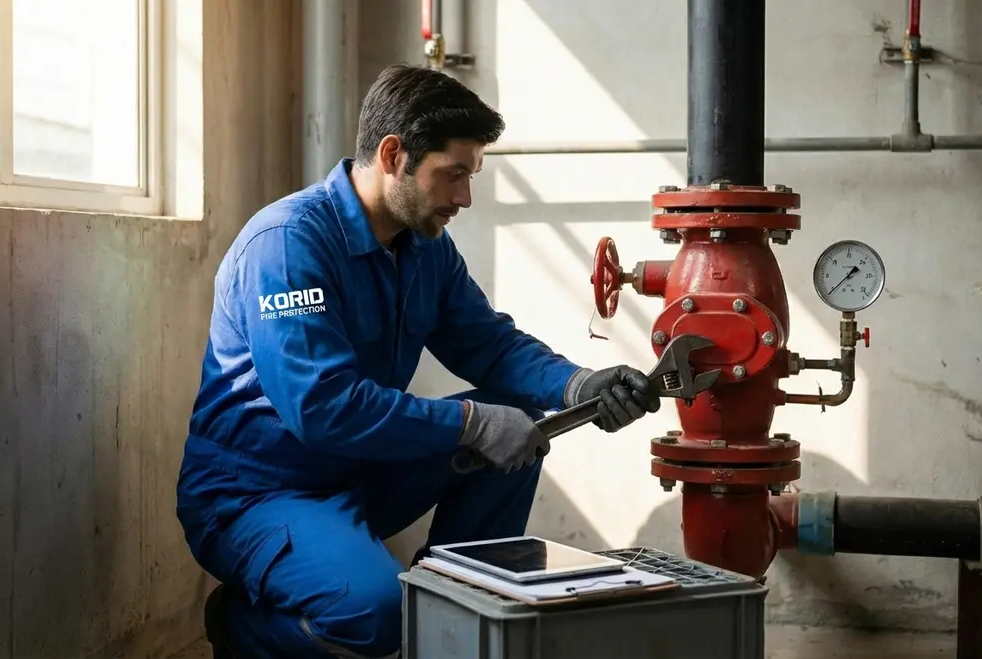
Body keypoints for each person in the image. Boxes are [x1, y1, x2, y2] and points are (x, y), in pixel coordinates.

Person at [175, 63, 661, 659]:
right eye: (453, 174)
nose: (465, 197)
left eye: (470, 176)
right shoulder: (286, 244)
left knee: (518, 426)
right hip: (257, 494)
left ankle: (452, 618)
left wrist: (578, 385)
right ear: (393, 155)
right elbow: (321, 407)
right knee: (376, 614)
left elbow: (488, 343)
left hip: (357, 472)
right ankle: (239, 625)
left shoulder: (425, 248)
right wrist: (470, 422)